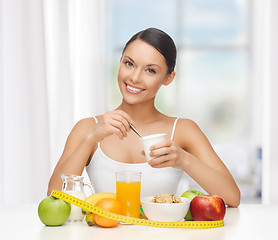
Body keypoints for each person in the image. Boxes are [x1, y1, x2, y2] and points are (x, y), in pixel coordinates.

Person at [47, 28, 240, 207]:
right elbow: (53, 198)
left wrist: (184, 160)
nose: (135, 77)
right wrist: (91, 138)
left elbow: (232, 197)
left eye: (150, 70)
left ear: (168, 78)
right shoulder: (89, 127)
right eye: (129, 63)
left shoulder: (183, 130)